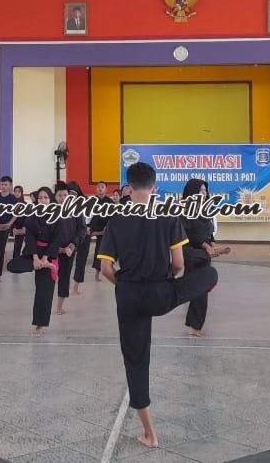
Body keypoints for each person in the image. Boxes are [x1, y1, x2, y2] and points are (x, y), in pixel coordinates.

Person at [97, 162, 218, 449]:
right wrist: (165, 282)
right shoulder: (168, 215)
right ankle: (200, 288)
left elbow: (105, 269)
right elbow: (178, 263)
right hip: (161, 294)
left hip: (128, 296)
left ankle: (150, 433)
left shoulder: (117, 218)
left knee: (136, 362)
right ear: (155, 187)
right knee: (209, 274)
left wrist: (124, 286)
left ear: (128, 187)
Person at [6, 187, 62, 334]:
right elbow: (29, 238)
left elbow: (57, 240)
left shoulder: (57, 217)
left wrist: (45, 258)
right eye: (40, 197)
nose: (43, 200)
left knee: (44, 292)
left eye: (46, 197)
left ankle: (40, 326)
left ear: (51, 200)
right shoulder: (32, 217)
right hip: (34, 255)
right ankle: (38, 265)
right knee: (12, 265)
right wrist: (36, 258)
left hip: (49, 256)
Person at [180, 179, 230, 336]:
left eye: (205, 190)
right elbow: (189, 234)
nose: (203, 193)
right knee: (199, 288)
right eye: (200, 190)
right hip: (191, 252)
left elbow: (208, 232)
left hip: (203, 254)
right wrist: (207, 246)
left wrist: (212, 244)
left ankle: (193, 324)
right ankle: (195, 327)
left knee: (199, 289)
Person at [53, 183, 84, 315]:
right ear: (55, 196)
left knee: (64, 277)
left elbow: (81, 229)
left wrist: (73, 244)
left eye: (65, 195)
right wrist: (57, 248)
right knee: (49, 278)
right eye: (60, 195)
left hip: (69, 251)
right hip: (52, 250)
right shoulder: (50, 210)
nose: (63, 197)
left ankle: (60, 305)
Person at [0, 176, 19, 282]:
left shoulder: (13, 198)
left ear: (10, 186)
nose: (4, 186)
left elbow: (15, 214)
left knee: (0, 250)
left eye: (6, 184)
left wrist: (9, 224)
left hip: (5, 227)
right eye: (2, 184)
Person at [87, 182, 116, 283]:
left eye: (102, 187)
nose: (100, 189)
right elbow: (87, 216)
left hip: (105, 229)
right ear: (96, 189)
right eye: (98, 187)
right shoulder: (91, 201)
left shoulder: (110, 202)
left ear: (106, 189)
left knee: (101, 251)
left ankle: (98, 273)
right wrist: (89, 228)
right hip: (93, 227)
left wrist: (108, 229)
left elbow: (113, 217)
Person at [11, 185, 26, 261]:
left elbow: (26, 217)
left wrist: (24, 227)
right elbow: (10, 217)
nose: (17, 193)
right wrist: (13, 228)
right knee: (17, 245)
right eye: (15, 191)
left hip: (24, 228)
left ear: (21, 193)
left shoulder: (25, 204)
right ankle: (15, 261)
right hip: (16, 228)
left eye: (18, 191)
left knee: (27, 245)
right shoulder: (12, 204)